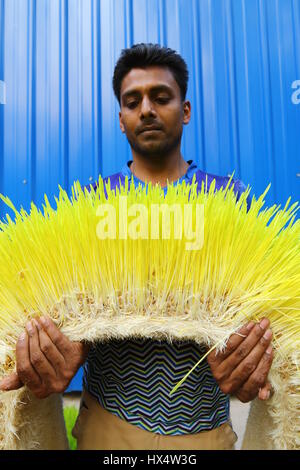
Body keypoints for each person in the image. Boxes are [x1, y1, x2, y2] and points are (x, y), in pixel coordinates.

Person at [0, 44, 274, 450]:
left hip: (205, 431)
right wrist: (56, 345)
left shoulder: (231, 202)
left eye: (161, 97)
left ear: (185, 110)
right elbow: (67, 307)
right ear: (121, 119)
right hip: (108, 428)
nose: (146, 109)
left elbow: (264, 310)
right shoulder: (92, 205)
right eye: (133, 101)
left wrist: (256, 352)